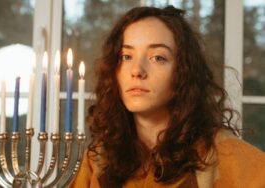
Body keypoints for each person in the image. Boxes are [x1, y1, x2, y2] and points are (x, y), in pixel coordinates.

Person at [71, 6, 265, 188]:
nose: (137, 70)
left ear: (183, 71)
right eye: (126, 57)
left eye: (158, 58)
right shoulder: (98, 160)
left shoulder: (224, 154)